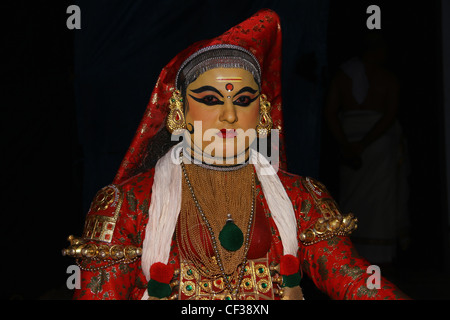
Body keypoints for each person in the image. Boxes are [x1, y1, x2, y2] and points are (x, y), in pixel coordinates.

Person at [63, 9, 408, 300]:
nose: (229, 115)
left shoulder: (300, 196)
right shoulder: (127, 204)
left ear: (262, 114)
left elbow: (351, 278)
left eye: (243, 100)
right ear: (179, 113)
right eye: (211, 99)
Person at [324, 31, 410, 265]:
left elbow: (333, 113)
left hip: (363, 145)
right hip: (365, 145)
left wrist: (352, 144)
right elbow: (389, 114)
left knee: (372, 198)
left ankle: (368, 256)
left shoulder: (347, 78)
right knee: (362, 199)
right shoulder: (380, 78)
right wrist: (351, 145)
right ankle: (361, 256)